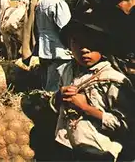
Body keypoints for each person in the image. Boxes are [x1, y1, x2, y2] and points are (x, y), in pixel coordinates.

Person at [52, 19, 135, 161]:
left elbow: (126, 125)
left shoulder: (113, 80)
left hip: (99, 152)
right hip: (66, 146)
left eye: (90, 43)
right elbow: (54, 104)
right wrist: (60, 95)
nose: (84, 49)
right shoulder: (66, 71)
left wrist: (85, 108)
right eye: (76, 42)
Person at [35, 0, 72, 92]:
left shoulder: (41, 1)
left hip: (44, 48)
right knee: (61, 85)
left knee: (49, 81)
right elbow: (66, 28)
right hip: (59, 50)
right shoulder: (58, 2)